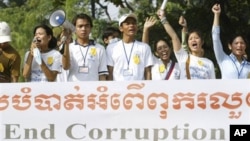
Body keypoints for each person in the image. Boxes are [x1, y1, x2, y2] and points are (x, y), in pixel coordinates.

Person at [157, 9, 215, 79]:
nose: (193, 40)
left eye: (196, 38)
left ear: (202, 42)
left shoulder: (209, 63)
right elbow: (174, 37)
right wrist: (163, 19)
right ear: (188, 44)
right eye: (190, 39)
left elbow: (212, 85)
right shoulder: (183, 57)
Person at [106, 13, 154, 81]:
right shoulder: (111, 48)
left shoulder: (145, 47)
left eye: (134, 23)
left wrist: (148, 89)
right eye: (127, 23)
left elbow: (148, 72)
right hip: (118, 89)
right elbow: (110, 72)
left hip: (139, 89)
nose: (131, 25)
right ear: (121, 28)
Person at [62, 13, 108, 81]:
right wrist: (66, 44)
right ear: (74, 29)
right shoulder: (69, 47)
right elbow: (65, 67)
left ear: (91, 28)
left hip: (92, 90)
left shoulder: (100, 48)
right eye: (80, 26)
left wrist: (102, 91)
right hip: (73, 89)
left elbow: (102, 74)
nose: (84, 29)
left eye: (87, 26)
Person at [212, 4, 250, 79]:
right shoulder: (223, 59)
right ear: (230, 46)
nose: (239, 45)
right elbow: (215, 38)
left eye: (242, 43)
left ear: (245, 46)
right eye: (236, 43)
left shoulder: (248, 65)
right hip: (226, 91)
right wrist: (216, 15)